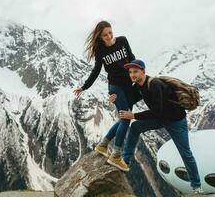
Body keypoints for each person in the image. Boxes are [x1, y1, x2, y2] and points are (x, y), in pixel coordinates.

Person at [109, 59, 204, 194]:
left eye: (135, 71)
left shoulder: (154, 84)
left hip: (175, 121)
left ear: (143, 71)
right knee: (135, 127)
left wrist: (134, 115)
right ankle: (125, 160)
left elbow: (157, 111)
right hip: (161, 118)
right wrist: (115, 99)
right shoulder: (138, 86)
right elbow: (130, 100)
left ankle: (197, 187)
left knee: (185, 153)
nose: (132, 75)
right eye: (130, 72)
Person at [73, 21, 135, 172]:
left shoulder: (122, 41)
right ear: (100, 37)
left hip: (128, 85)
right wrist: (84, 86)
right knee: (126, 118)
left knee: (123, 118)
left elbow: (132, 57)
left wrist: (139, 75)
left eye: (110, 33)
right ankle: (116, 155)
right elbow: (96, 71)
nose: (109, 36)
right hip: (115, 87)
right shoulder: (101, 52)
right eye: (105, 35)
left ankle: (102, 145)